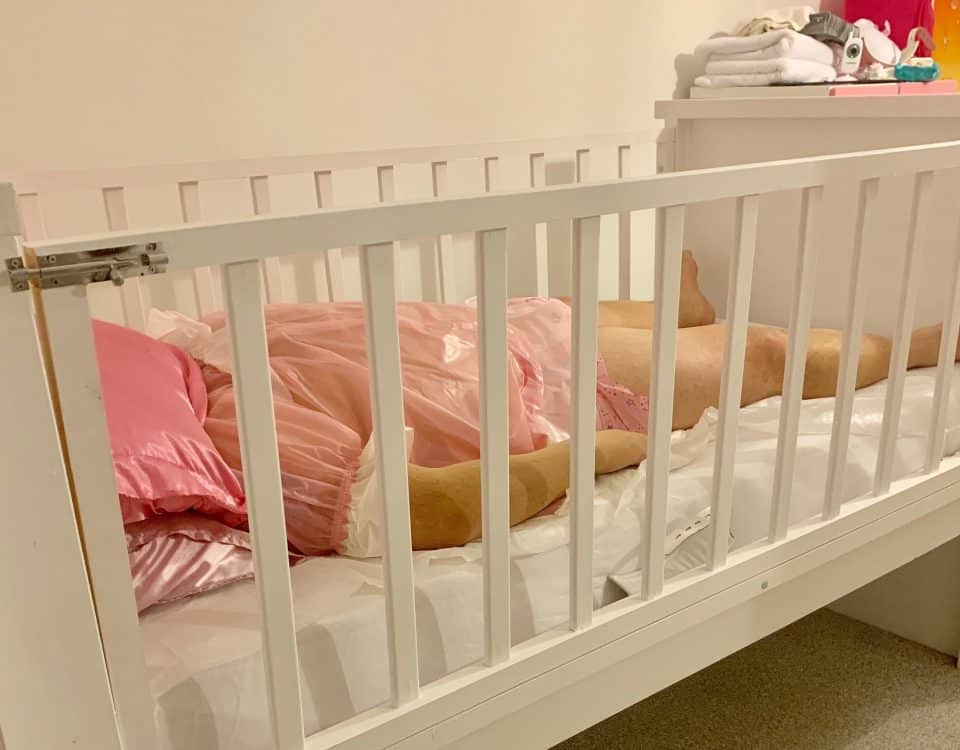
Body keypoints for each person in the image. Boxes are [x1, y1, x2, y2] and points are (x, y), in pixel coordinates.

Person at [199, 252, 958, 553]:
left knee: (565, 311)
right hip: (528, 379)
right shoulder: (226, 438)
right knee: (762, 353)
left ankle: (676, 308)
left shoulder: (177, 360)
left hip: (471, 340)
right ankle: (925, 347)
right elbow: (424, 511)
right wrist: (599, 452)